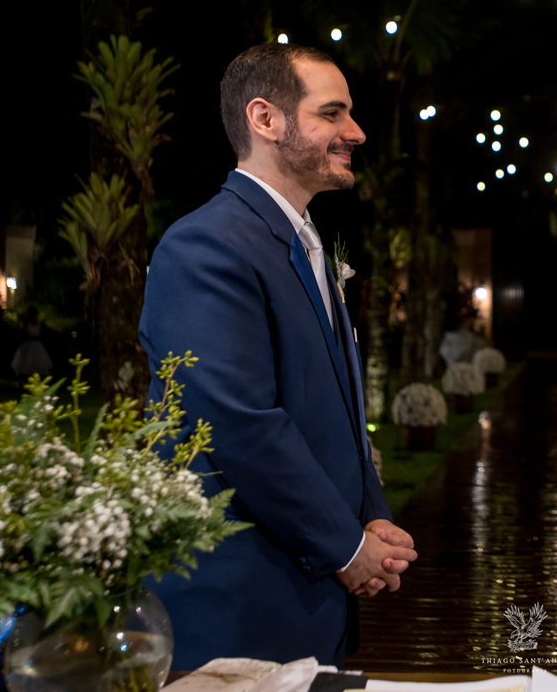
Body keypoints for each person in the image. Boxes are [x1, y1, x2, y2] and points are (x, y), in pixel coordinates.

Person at [139, 43, 417, 671]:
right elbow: (239, 426)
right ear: (265, 119)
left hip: (310, 594)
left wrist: (370, 518)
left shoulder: (303, 238)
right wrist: (346, 548)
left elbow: (336, 409)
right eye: (332, 114)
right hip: (244, 605)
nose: (356, 132)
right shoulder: (205, 246)